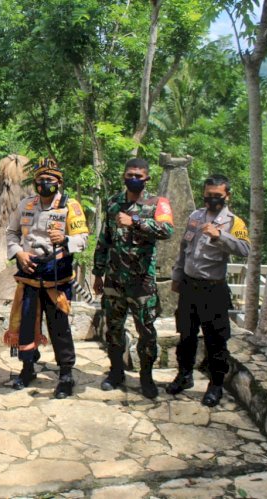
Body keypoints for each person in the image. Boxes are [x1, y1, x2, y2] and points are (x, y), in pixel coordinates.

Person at [4, 159, 89, 398]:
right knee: (26, 324)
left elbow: (82, 238)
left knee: (59, 326)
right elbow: (11, 233)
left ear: (59, 182)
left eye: (50, 180)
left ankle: (65, 374)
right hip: (29, 275)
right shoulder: (25, 204)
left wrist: (64, 239)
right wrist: (18, 253)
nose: (44, 184)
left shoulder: (70, 206)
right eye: (40, 180)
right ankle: (27, 367)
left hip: (56, 276)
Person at [93, 158, 174, 399]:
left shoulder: (157, 203)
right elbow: (104, 240)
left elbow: (167, 230)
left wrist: (135, 222)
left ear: (147, 178)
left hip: (142, 284)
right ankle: (116, 371)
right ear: (124, 177)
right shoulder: (113, 203)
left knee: (146, 333)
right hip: (114, 281)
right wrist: (98, 273)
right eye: (130, 175)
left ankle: (146, 377)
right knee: (113, 330)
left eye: (139, 175)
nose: (134, 179)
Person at [167, 174, 249, 407]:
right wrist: (176, 275)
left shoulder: (234, 222)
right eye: (208, 195)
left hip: (213, 290)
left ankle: (215, 385)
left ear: (226, 196)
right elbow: (184, 247)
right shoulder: (195, 216)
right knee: (186, 335)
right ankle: (184, 376)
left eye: (217, 196)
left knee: (215, 340)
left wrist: (220, 236)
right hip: (189, 286)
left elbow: (245, 249)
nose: (211, 200)